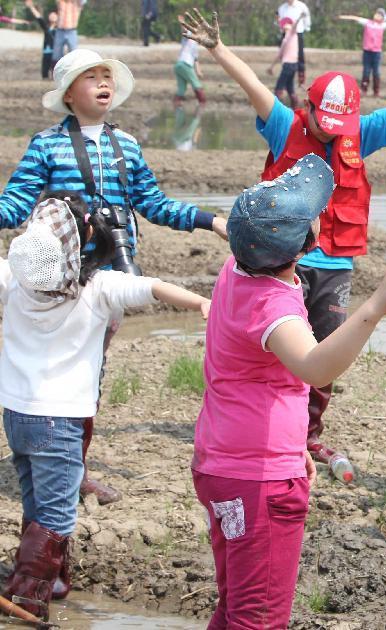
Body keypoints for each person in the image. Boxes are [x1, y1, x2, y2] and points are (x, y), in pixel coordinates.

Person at [179, 9, 386, 478]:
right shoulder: (284, 124)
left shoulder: (360, 131)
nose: (330, 131)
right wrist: (217, 49)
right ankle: (268, 421)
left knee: (327, 344)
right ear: (309, 105)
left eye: (338, 124)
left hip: (337, 263)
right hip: (285, 263)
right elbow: (252, 87)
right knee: (278, 343)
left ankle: (308, 434)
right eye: (324, 121)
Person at [194, 159, 386, 628]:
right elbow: (316, 368)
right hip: (259, 482)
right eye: (318, 210)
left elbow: (266, 378)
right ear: (307, 242)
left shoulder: (237, 270)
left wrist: (294, 446)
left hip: (221, 466)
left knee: (236, 605)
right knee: (259, 617)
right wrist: (376, 307)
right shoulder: (272, 302)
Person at [0, 49, 228, 507]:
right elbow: (16, 204)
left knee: (91, 372)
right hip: (58, 279)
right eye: (92, 77)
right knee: (50, 363)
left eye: (108, 76)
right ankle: (45, 450)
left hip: (107, 279)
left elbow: (156, 205)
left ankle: (73, 465)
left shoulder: (127, 144)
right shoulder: (46, 144)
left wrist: (211, 221)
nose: (104, 83)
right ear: (68, 93)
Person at [1, 192, 210, 621]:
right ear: (86, 237)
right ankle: (25, 598)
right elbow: (151, 288)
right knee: (58, 513)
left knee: (36, 500)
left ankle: (52, 579)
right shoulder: (97, 287)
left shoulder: (15, 278)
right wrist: (202, 303)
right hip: (59, 419)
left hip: (16, 414)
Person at [338, 8, 386, 97]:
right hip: (367, 52)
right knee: (366, 71)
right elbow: (355, 18)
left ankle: (376, 91)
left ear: (383, 18)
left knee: (376, 72)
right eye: (377, 13)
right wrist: (342, 17)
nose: (377, 15)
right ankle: (364, 89)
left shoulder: (383, 25)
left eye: (380, 15)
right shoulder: (367, 22)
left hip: (376, 53)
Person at [268, 17, 301, 107]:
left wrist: (299, 17)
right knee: (290, 88)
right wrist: (271, 67)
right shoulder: (285, 40)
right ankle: (295, 105)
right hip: (293, 65)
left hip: (288, 65)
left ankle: (275, 107)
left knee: (279, 87)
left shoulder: (293, 35)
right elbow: (279, 55)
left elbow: (294, 26)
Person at [277, 0, 311, 87]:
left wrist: (306, 28)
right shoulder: (282, 8)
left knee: (300, 56)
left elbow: (307, 20)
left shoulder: (301, 6)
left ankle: (301, 81)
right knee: (285, 56)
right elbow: (280, 21)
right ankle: (287, 77)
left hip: (298, 34)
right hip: (286, 33)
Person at [24, 0, 58, 79]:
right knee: (44, 72)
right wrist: (31, 7)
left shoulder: (60, 29)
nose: (52, 16)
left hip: (55, 53)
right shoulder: (46, 27)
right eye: (51, 15)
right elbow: (39, 17)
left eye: (54, 15)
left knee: (55, 71)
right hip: (46, 52)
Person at [174, 35, 205, 105]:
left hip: (178, 65)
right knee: (196, 84)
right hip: (186, 64)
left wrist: (198, 72)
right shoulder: (190, 38)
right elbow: (185, 31)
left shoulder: (195, 47)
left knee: (181, 89)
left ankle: (176, 106)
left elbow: (196, 60)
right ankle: (202, 103)